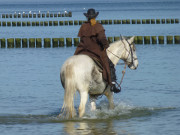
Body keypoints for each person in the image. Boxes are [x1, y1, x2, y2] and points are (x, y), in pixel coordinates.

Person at [74, 8, 120, 93]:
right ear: (95, 17)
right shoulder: (98, 26)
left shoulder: (83, 26)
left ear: (87, 17)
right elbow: (102, 38)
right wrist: (106, 46)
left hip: (82, 50)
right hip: (95, 51)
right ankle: (112, 84)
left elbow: (82, 39)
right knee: (109, 65)